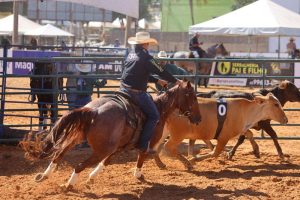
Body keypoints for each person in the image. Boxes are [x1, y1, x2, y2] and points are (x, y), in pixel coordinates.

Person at [120, 31, 181, 154]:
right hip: (136, 92)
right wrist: (175, 81)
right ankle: (143, 145)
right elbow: (161, 71)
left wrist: (157, 80)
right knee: (154, 116)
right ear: (145, 44)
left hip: (123, 89)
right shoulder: (147, 58)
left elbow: (139, 73)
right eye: (148, 44)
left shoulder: (131, 55)